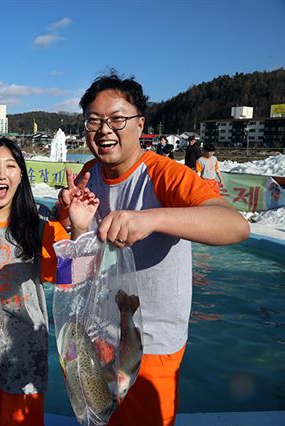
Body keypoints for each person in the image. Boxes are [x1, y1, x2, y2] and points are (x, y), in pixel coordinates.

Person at [58, 71, 249, 426]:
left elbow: (234, 226)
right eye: (94, 120)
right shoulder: (88, 173)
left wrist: (152, 219)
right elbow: (77, 260)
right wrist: (75, 223)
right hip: (99, 336)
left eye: (117, 119)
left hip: (151, 346)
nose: (104, 130)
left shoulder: (164, 174)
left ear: (140, 123)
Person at [0, 137, 94, 426]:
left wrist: (79, 226)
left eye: (11, 166)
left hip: (22, 354)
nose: (2, 174)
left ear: (21, 175)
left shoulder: (38, 223)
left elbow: (69, 276)